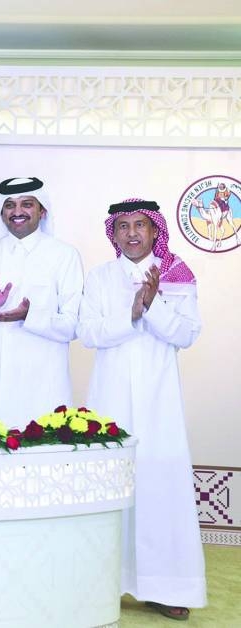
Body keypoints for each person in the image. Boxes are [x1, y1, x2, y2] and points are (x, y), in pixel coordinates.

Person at [77, 198, 205, 621]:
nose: (132, 233)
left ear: (155, 232)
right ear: (113, 234)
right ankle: (103, 582)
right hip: (110, 399)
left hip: (158, 400)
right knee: (109, 487)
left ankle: (162, 586)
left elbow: (185, 335)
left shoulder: (177, 276)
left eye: (140, 226)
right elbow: (89, 333)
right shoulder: (100, 277)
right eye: (124, 226)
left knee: (158, 487)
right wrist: (131, 313)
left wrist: (154, 306)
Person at [0, 177, 83, 425]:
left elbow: (73, 325)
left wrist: (30, 317)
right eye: (9, 205)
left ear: (42, 210)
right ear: (1, 212)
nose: (17, 212)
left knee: (42, 457)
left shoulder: (64, 255)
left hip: (41, 385)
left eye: (27, 204)